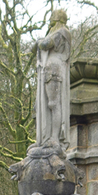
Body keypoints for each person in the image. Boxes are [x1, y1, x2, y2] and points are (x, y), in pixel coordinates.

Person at [35, 9, 72, 150]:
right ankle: (46, 138)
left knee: (53, 103)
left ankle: (55, 138)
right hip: (49, 70)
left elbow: (45, 44)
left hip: (55, 70)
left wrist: (39, 41)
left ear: (56, 18)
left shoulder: (61, 32)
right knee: (47, 104)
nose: (49, 19)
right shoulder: (57, 32)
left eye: (51, 17)